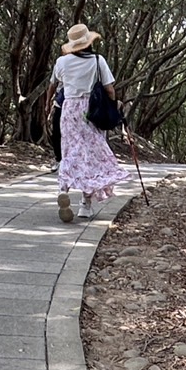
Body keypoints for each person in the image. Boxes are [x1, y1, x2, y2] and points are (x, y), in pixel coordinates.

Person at [52, 22, 128, 223]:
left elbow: (56, 84)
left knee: (69, 150)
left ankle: (63, 189)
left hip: (69, 110)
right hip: (90, 111)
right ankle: (85, 205)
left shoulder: (62, 62)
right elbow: (109, 89)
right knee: (91, 154)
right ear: (88, 42)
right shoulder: (97, 60)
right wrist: (113, 106)